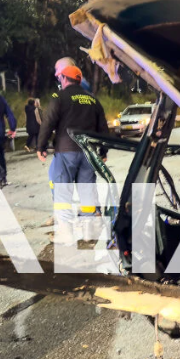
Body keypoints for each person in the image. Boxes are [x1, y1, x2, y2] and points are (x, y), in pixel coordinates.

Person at [37, 64, 107, 244]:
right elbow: (103, 128)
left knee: (62, 192)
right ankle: (89, 232)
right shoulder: (92, 100)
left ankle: (66, 232)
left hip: (66, 150)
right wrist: (103, 151)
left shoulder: (59, 97)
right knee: (87, 191)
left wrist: (41, 146)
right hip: (89, 152)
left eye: (60, 77)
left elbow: (48, 123)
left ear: (63, 78)